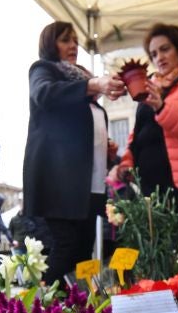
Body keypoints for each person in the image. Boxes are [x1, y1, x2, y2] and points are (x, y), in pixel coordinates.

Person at [22, 21, 126, 286]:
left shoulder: (83, 90)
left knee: (83, 251)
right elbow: (44, 94)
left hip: (88, 187)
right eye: (65, 40)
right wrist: (93, 84)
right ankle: (39, 306)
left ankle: (79, 312)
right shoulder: (43, 70)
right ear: (50, 44)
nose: (73, 46)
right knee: (66, 249)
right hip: (59, 185)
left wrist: (107, 149)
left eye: (74, 40)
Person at [107, 23, 178, 258]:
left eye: (164, 49)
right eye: (153, 54)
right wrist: (126, 164)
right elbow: (138, 135)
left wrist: (162, 106)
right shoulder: (152, 86)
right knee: (161, 255)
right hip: (152, 188)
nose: (158, 57)